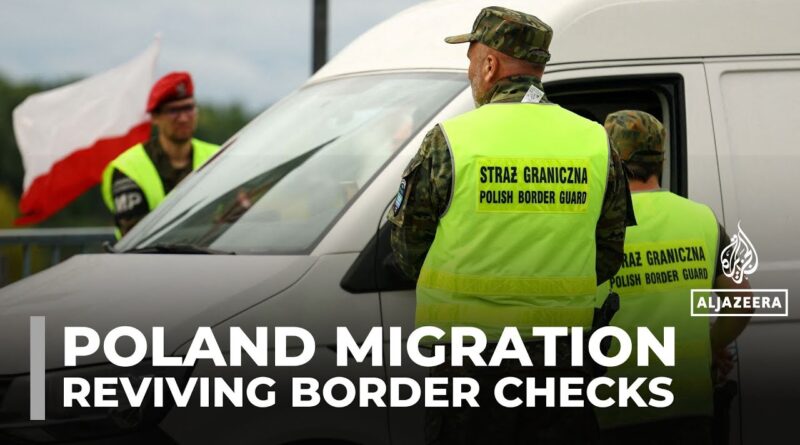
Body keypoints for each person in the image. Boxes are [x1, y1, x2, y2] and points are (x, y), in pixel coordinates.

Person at [387, 6, 635, 444]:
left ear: (489, 65)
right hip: (562, 363)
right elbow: (609, 254)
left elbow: (408, 252)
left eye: (470, 60)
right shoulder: (595, 141)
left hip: (470, 365)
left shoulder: (450, 141)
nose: (470, 72)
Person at [597, 110, 752, 445]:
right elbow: (742, 302)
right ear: (661, 160)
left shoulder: (598, 224)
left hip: (613, 410)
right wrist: (709, 345)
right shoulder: (703, 220)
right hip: (690, 409)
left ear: (610, 162)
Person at [101, 72, 219, 237]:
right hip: (150, 255)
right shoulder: (128, 168)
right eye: (173, 111)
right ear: (155, 117)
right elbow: (135, 235)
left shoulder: (220, 156)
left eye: (188, 108)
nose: (183, 118)